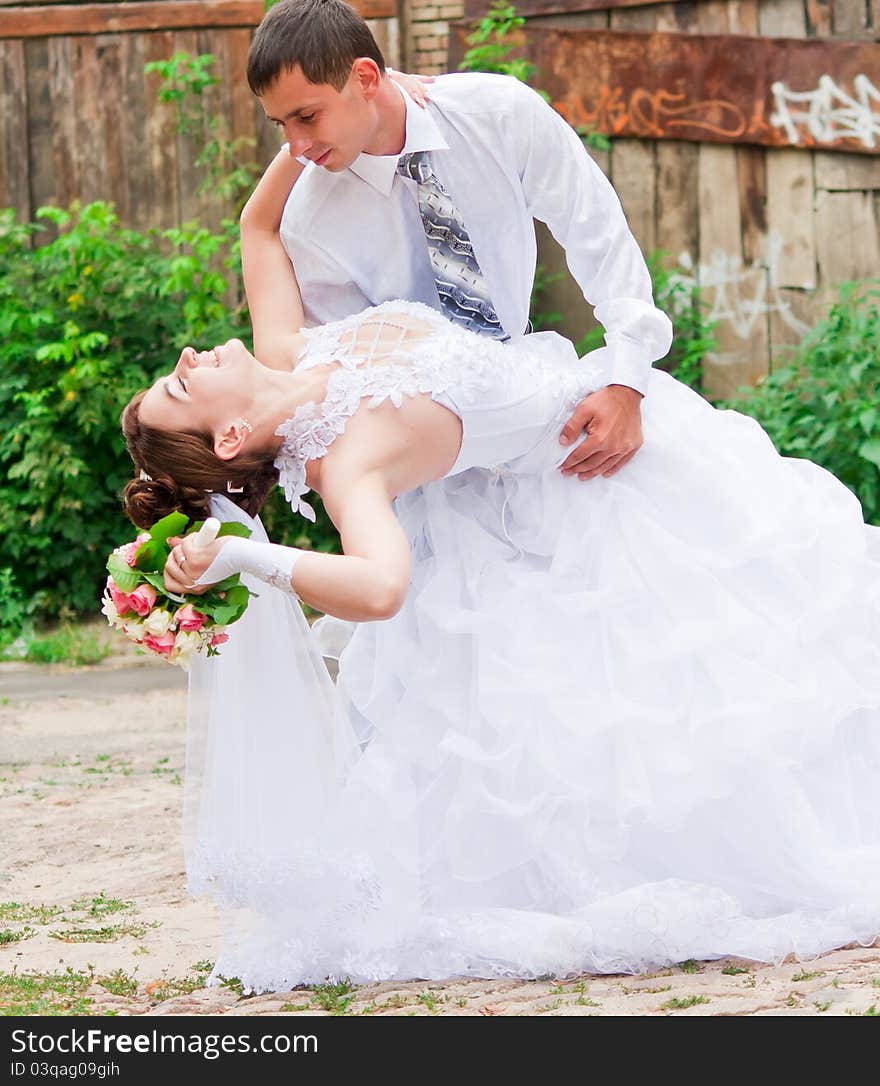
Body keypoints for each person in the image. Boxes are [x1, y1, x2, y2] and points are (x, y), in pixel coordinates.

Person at [121, 232, 880, 987]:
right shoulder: (349, 460)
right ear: (229, 436)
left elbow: (260, 228)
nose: (185, 361)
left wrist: (346, 117)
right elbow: (380, 587)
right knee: (715, 702)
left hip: (625, 451)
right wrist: (246, 557)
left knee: (805, 623)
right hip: (594, 492)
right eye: (180, 387)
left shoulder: (290, 357)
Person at [239, 0, 674, 484]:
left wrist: (627, 381)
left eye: (307, 117)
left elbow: (596, 227)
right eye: (281, 125)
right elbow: (346, 394)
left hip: (554, 427)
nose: (295, 147)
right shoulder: (308, 221)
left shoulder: (497, 113)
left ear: (364, 77)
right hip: (434, 478)